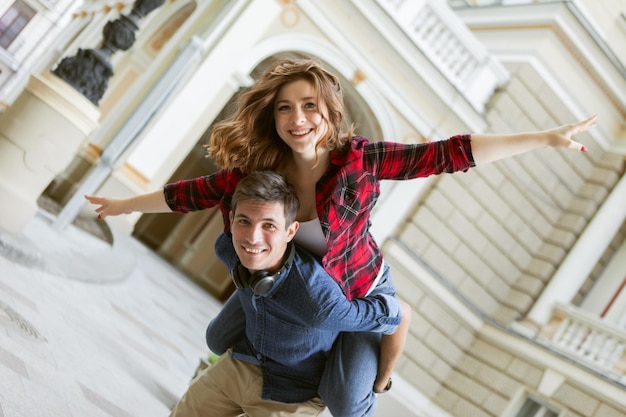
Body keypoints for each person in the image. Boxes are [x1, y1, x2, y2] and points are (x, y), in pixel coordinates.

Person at [85, 58, 597, 417]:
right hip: (296, 282)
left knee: (351, 403)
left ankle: (381, 361)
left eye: (309, 106)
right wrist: (124, 203)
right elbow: (195, 192)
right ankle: (243, 366)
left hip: (356, 292)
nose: (297, 119)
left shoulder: (360, 160)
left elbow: (446, 153)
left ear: (329, 112)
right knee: (218, 333)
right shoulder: (266, 166)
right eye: (284, 108)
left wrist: (543, 139)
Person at [168, 170, 402, 417]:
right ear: (231, 219)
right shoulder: (227, 248)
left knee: (351, 411)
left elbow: (394, 316)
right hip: (240, 363)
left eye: (268, 225)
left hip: (293, 394)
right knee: (214, 339)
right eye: (244, 221)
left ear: (290, 232)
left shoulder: (319, 303)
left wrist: (382, 380)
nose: (252, 237)